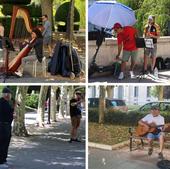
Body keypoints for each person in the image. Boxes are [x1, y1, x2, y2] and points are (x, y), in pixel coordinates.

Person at [0, 87, 14, 168]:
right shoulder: (2, 102)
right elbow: (6, 113)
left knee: (6, 144)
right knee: (2, 144)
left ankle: (4, 160)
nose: (11, 96)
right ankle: (1, 162)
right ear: (6, 95)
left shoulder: (6, 102)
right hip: (3, 126)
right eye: (10, 94)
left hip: (6, 126)